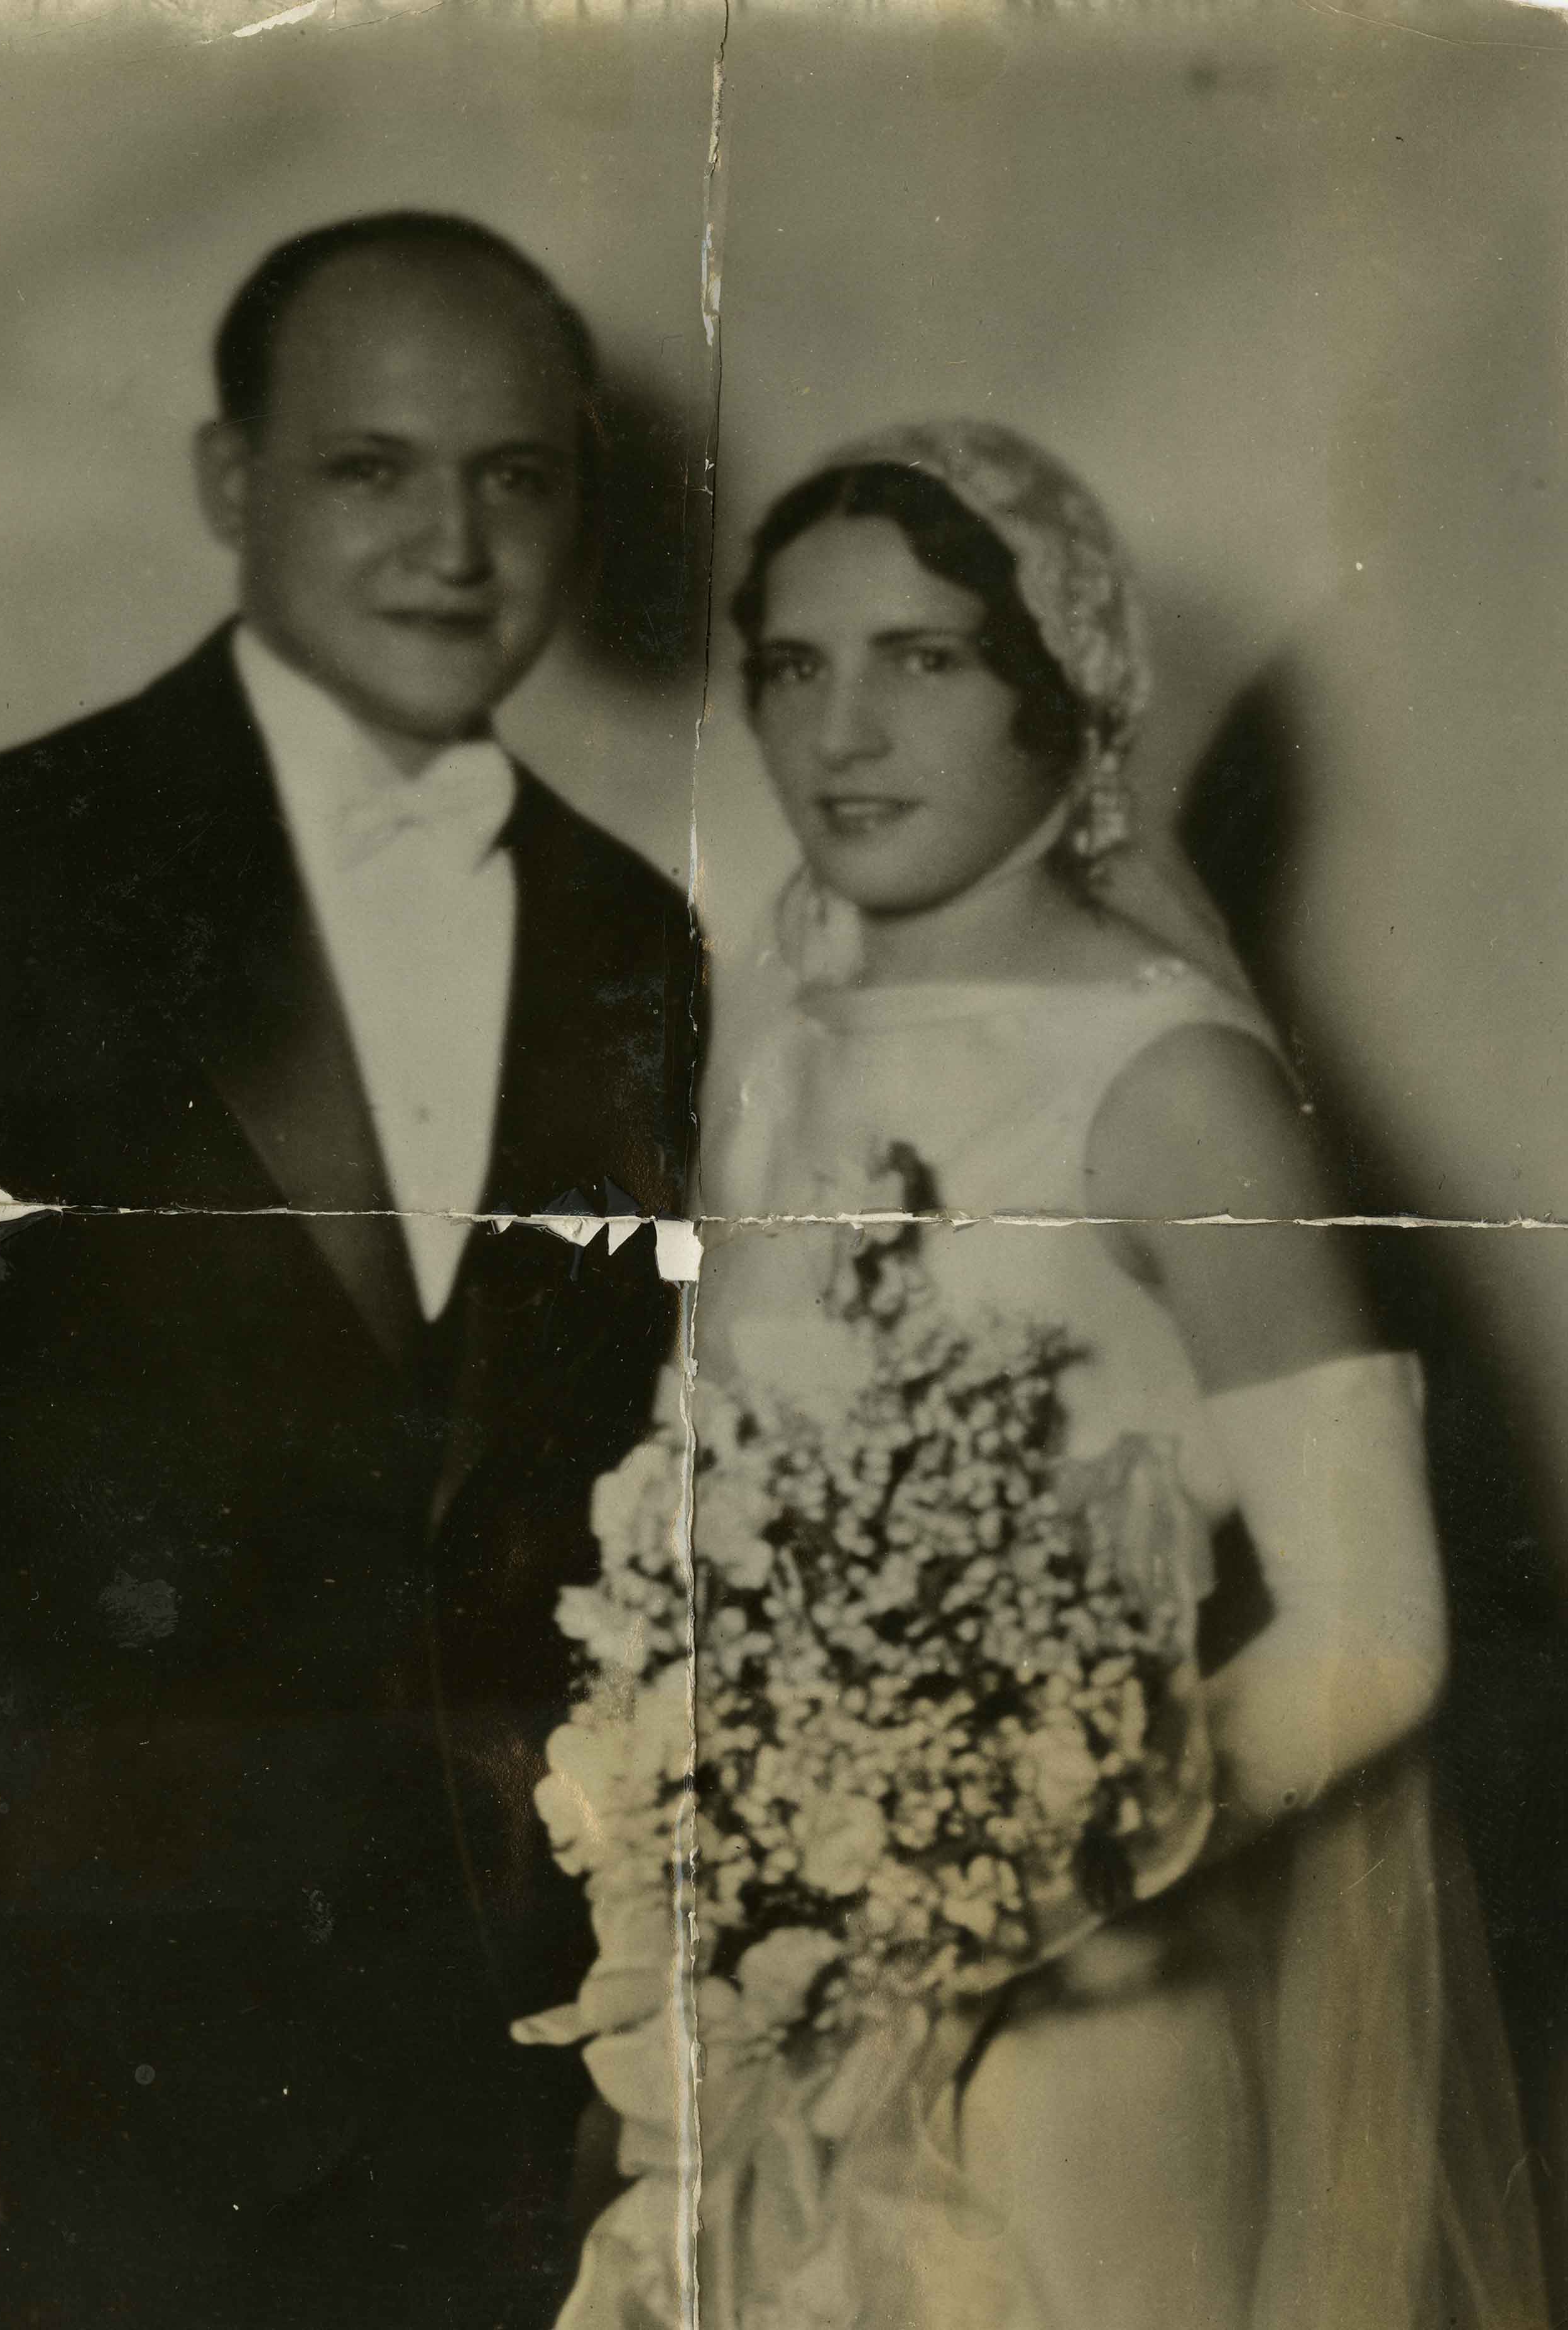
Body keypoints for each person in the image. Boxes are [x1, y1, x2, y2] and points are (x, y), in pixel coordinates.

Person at [0, 213, 698, 2330]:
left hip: (499, 2075)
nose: (454, 543)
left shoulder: (635, 940)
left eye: (517, 474)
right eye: (371, 469)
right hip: (49, 2053)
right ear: (231, 481)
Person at [554, 420, 1542, 2326]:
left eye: (924, 659)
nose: (844, 733)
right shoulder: (780, 1055)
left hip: (1078, 2011)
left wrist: (1014, 1884)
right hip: (783, 2011)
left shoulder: (1168, 1085)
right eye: (794, 665)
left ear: (1068, 689)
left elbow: (1379, 1625)